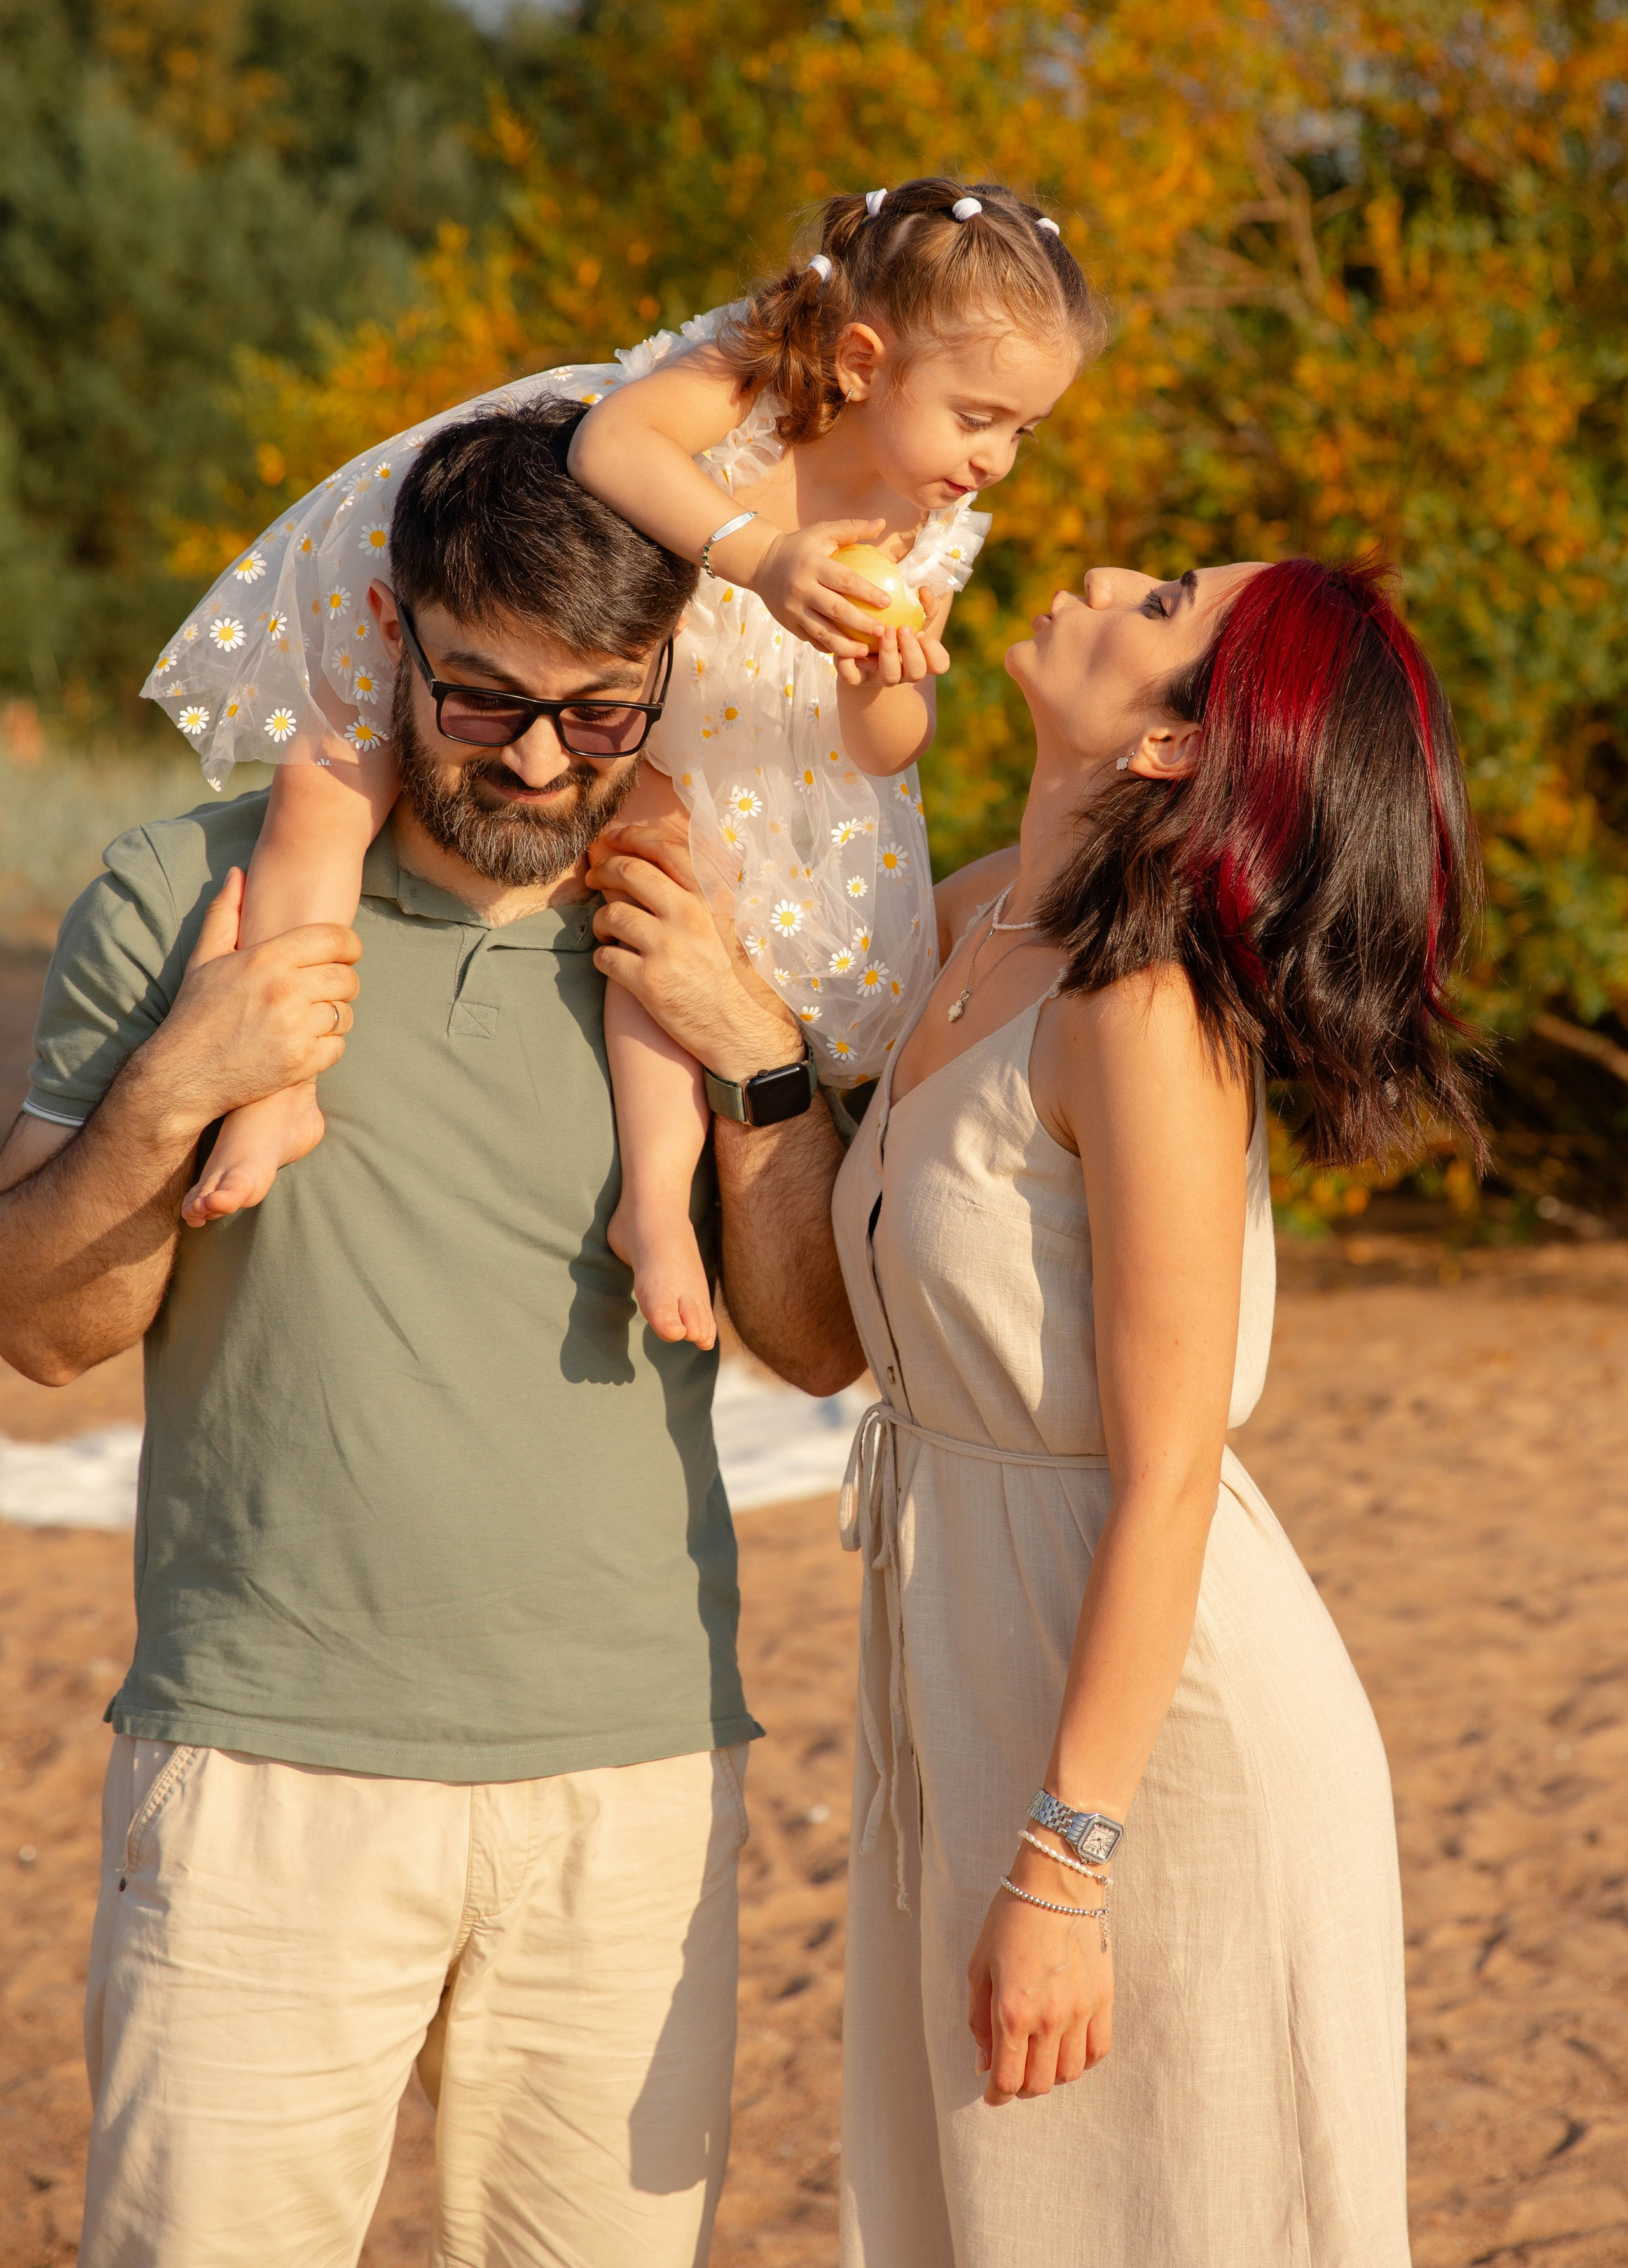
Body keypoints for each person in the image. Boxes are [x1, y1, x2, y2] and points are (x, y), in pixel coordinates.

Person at [0, 399, 857, 2268]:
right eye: (484, 698)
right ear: (391, 629)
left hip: (634, 1789)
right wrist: (179, 1091)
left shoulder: (720, 926)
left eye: (600, 711)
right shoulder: (181, 897)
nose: (541, 758)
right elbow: (43, 1331)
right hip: (261, 1780)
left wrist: (759, 1059)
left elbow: (814, 1344)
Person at [804, 556, 1476, 2263]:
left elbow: (1171, 1473)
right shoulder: (975, 925)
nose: (1102, 570)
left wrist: (1066, 1858)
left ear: (1182, 748)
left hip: (1147, 1739)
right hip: (968, 1652)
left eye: (1164, 599)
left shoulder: (1144, 1009)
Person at [140, 177, 1104, 1350]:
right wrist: (766, 560)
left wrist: (882, 680)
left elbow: (881, 753)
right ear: (863, 358)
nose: (996, 457)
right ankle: (278, 1085)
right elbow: (617, 444)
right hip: (541, 604)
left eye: (1025, 430)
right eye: (977, 415)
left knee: (657, 897)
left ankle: (654, 1202)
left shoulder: (931, 521)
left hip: (665, 708)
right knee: (325, 781)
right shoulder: (765, 363)